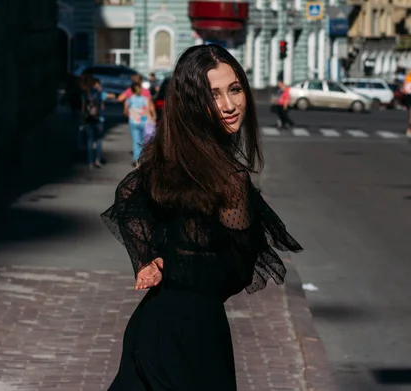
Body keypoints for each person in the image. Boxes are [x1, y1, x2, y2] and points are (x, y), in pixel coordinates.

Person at [101, 44, 303, 390]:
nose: (229, 105)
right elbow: (234, 273)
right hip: (193, 337)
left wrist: (155, 257)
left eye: (235, 89)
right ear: (193, 103)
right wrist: (166, 259)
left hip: (153, 325)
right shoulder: (229, 178)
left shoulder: (168, 157)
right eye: (214, 95)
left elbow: (129, 196)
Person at [124, 82, 156, 168]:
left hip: (134, 122)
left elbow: (125, 111)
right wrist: (153, 118)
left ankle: (137, 162)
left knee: (136, 142)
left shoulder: (129, 99)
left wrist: (129, 114)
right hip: (145, 123)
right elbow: (151, 109)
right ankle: (144, 160)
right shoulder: (146, 99)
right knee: (144, 142)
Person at [80, 75, 104, 169]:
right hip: (98, 118)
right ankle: (97, 159)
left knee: (90, 140)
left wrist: (82, 119)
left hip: (88, 119)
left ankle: (90, 161)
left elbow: (83, 107)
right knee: (98, 139)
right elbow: (101, 106)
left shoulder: (84, 93)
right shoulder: (98, 93)